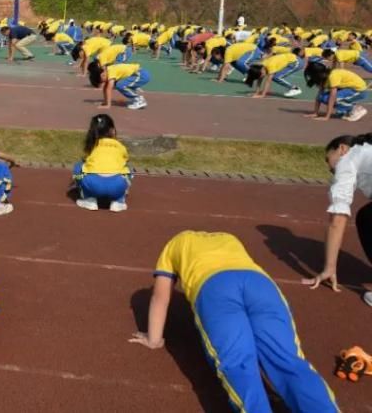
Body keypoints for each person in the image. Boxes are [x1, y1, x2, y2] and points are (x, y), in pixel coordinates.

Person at [132, 231, 338, 412]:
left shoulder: (175, 243)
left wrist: (154, 339)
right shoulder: (229, 238)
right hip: (261, 285)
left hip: (214, 287)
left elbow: (160, 297)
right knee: (289, 360)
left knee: (238, 363)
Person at [305, 134, 372, 308]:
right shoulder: (366, 152)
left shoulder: (348, 159)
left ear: (342, 149)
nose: (329, 168)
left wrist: (329, 267)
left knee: (367, 218)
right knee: (367, 216)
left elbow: (338, 219)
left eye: (329, 159)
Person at [71, 114, 131, 212]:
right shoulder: (120, 146)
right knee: (128, 169)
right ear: (112, 130)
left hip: (93, 184)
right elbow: (126, 160)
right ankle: (119, 200)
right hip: (117, 185)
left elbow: (87, 162)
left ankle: (88, 198)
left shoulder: (92, 146)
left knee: (78, 168)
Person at [303, 63, 368, 122]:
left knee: (332, 99)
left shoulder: (332, 76)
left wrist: (327, 117)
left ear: (317, 74)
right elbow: (319, 96)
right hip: (349, 89)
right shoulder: (323, 77)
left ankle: (355, 109)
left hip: (359, 91)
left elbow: (332, 97)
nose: (311, 77)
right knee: (322, 97)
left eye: (311, 75)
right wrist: (315, 113)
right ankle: (348, 109)